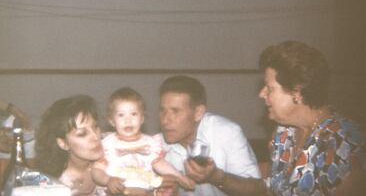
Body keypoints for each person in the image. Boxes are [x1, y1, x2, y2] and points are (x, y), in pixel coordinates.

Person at [258, 40, 366, 195]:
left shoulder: (346, 148)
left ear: (297, 92)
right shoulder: (284, 132)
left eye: (269, 88)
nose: (261, 94)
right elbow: (273, 176)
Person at [156, 75, 265, 196]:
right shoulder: (155, 146)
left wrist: (216, 177)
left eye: (175, 111)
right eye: (162, 110)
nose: (165, 120)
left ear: (198, 113)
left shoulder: (227, 133)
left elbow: (258, 191)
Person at [91, 87, 195, 195]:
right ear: (112, 120)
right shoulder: (107, 144)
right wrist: (107, 180)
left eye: (134, 114)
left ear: (142, 118)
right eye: (121, 115)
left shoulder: (150, 143)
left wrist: (180, 177)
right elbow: (96, 170)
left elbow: (162, 165)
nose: (128, 120)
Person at [35, 95, 105, 196]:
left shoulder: (111, 162)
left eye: (95, 127)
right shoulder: (53, 184)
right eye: (82, 134)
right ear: (63, 144)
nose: (95, 136)